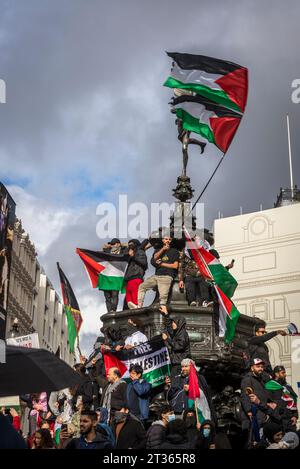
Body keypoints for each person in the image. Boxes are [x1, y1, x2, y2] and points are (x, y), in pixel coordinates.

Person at [137, 236, 179, 314]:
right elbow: (154, 258)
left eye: (169, 239)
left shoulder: (174, 251)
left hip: (167, 276)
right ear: (163, 240)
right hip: (156, 275)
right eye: (166, 239)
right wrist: (163, 249)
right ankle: (139, 306)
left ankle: (163, 312)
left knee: (163, 297)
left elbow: (175, 266)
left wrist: (162, 264)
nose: (168, 241)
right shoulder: (158, 250)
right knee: (142, 287)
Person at [240, 358, 271, 445]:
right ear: (252, 368)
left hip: (262, 415)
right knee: (254, 442)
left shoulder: (261, 379)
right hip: (254, 418)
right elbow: (245, 397)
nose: (261, 368)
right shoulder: (247, 379)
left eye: (262, 366)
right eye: (258, 366)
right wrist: (249, 412)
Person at [265, 365, 298, 432]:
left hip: (290, 421)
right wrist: (278, 417)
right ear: (277, 374)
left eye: (285, 372)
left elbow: (293, 401)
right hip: (278, 421)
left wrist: (295, 416)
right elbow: (267, 404)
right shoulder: (269, 386)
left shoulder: (287, 386)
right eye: (283, 373)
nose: (285, 375)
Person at [160, 309, 190, 377]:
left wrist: (167, 339)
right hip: (176, 363)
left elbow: (179, 346)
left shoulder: (182, 334)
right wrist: (166, 314)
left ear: (179, 323)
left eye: (174, 322)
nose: (172, 324)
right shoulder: (177, 332)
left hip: (180, 365)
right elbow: (169, 326)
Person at [102, 238, 127, 312]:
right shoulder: (107, 251)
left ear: (118, 244)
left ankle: (113, 310)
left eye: (114, 244)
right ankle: (109, 311)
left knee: (115, 294)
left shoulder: (123, 251)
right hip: (107, 276)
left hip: (117, 276)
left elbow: (128, 245)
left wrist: (120, 245)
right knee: (107, 296)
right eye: (111, 244)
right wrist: (110, 246)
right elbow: (104, 246)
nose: (112, 245)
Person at [124, 239, 148, 309]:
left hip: (136, 277)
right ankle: (132, 317)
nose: (130, 247)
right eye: (129, 245)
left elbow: (144, 264)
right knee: (129, 302)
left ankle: (137, 314)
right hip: (129, 279)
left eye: (131, 244)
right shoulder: (130, 254)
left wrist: (133, 257)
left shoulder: (140, 252)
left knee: (135, 301)